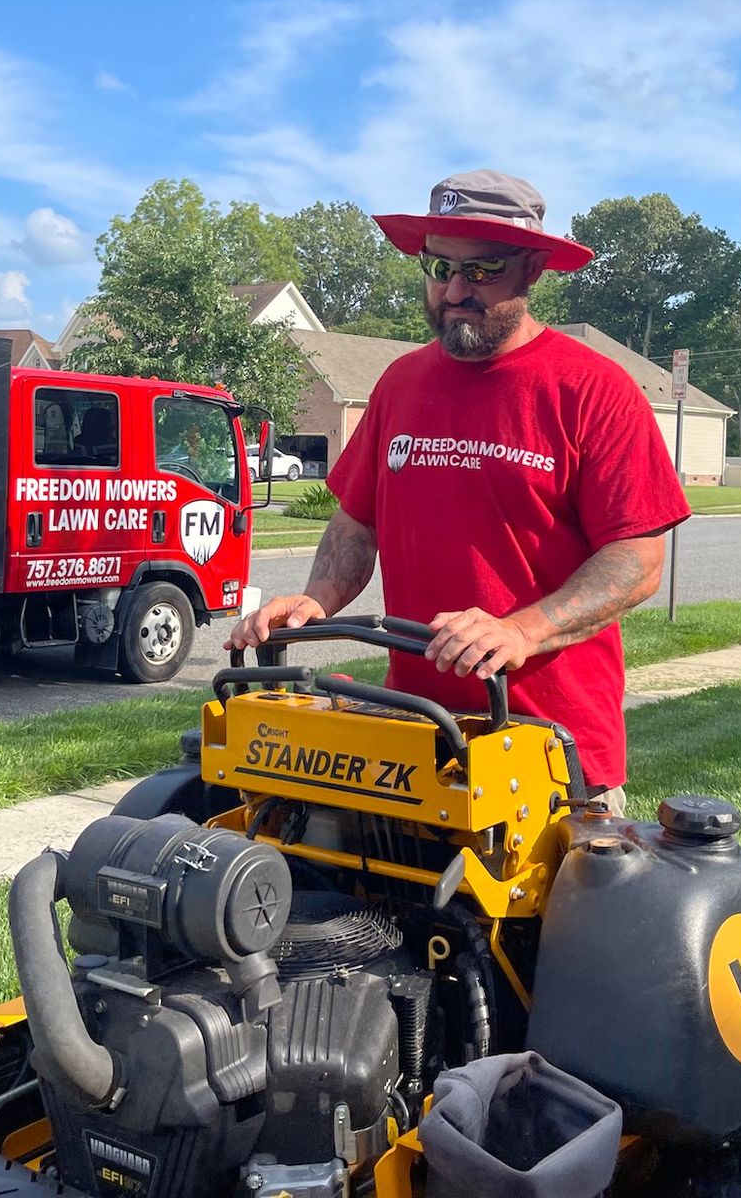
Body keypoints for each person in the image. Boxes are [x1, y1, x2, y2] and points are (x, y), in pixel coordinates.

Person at [227, 170, 690, 811]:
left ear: (532, 272)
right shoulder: (400, 383)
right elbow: (357, 524)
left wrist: (521, 631)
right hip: (415, 736)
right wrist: (315, 600)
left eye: (481, 271)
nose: (453, 291)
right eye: (439, 266)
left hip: (549, 751)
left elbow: (637, 562)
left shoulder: (594, 389)